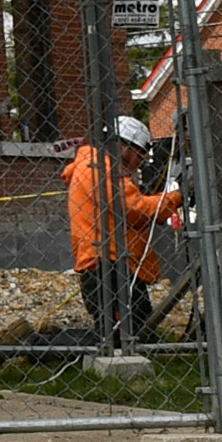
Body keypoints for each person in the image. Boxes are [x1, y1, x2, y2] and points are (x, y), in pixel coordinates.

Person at [67, 115, 183, 345]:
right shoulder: (99, 168)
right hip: (107, 263)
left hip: (112, 260)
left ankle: (37, 343)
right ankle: (34, 343)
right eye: (139, 153)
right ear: (122, 145)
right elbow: (134, 209)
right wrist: (175, 198)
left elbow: (130, 207)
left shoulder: (97, 165)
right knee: (115, 335)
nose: (141, 160)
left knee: (133, 326)